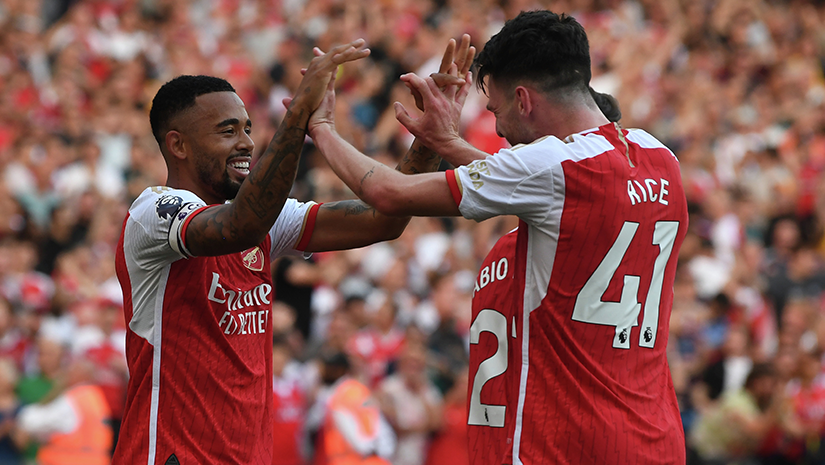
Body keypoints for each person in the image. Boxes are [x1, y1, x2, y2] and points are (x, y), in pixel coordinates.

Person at [310, 11, 688, 464]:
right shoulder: (659, 156)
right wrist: (448, 143)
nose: (499, 129)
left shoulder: (552, 167)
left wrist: (320, 127)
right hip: (655, 437)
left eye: (496, 111)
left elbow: (386, 193)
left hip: (564, 443)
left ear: (524, 99)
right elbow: (544, 187)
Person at [113, 36, 474, 465]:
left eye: (248, 128)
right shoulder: (154, 213)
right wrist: (298, 117)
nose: (246, 142)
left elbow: (384, 220)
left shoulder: (260, 219)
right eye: (228, 131)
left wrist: (430, 139)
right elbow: (239, 226)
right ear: (178, 145)